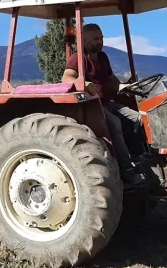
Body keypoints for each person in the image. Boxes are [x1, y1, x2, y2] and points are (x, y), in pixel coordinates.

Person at [61, 23, 146, 186]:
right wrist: (83, 84)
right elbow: (67, 78)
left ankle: (142, 156)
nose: (100, 41)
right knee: (115, 123)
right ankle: (127, 170)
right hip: (93, 105)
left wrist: (122, 86)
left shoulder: (103, 57)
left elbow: (111, 78)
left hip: (108, 102)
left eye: (101, 38)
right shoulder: (77, 58)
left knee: (139, 119)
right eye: (96, 39)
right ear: (84, 41)